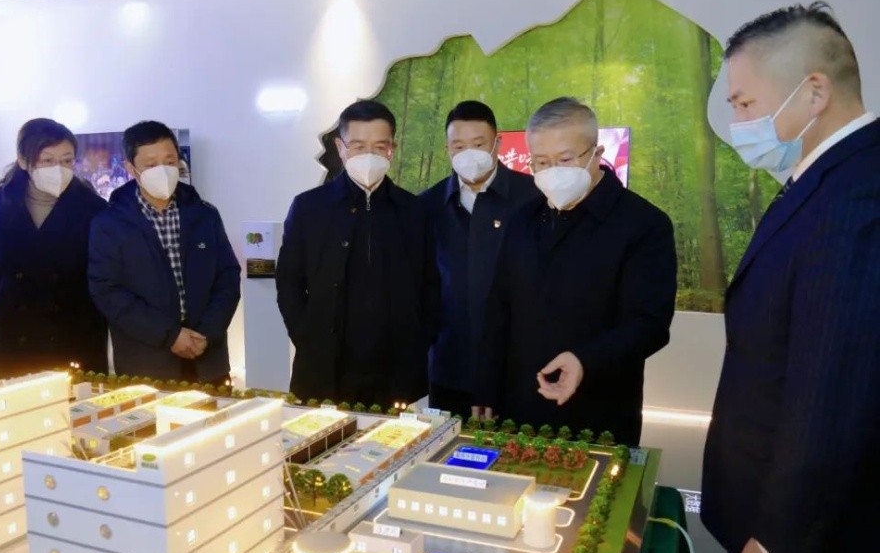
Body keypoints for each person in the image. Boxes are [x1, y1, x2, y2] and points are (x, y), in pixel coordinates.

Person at [700, 2, 879, 553]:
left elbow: (835, 383)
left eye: (746, 103)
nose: (738, 123)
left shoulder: (857, 195)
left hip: (800, 541)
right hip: (771, 514)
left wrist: (785, 535)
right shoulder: (821, 179)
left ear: (814, 92)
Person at [473, 97, 676, 445]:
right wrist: (486, 386)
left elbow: (649, 324)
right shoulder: (522, 220)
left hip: (599, 410)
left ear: (596, 153)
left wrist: (585, 361)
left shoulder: (643, 224)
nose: (553, 171)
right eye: (541, 162)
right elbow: (498, 308)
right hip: (519, 405)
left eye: (565, 159)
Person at [276, 100, 439, 406]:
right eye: (358, 146)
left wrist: (419, 340)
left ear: (392, 149)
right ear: (340, 148)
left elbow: (432, 285)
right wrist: (306, 339)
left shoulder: (414, 211)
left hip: (396, 369)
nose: (369, 155)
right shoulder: (309, 207)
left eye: (379, 147)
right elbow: (288, 283)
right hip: (326, 365)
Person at [88, 121, 240, 382]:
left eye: (170, 162)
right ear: (131, 169)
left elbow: (227, 276)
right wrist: (170, 336)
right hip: (146, 363)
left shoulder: (204, 214)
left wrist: (207, 333)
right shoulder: (109, 224)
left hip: (207, 358)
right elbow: (107, 290)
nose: (163, 170)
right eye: (151, 165)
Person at [419, 101, 540, 418]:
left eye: (478, 144)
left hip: (519, 370)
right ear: (447, 149)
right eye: (458, 146)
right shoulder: (427, 206)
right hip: (449, 368)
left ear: (497, 144)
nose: (468, 154)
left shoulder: (534, 197)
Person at [0, 118, 108, 380]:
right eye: (47, 160)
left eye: (67, 160)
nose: (58, 169)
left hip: (74, 326)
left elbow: (102, 268)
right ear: (23, 160)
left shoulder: (92, 207)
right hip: (15, 327)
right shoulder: (0, 203)